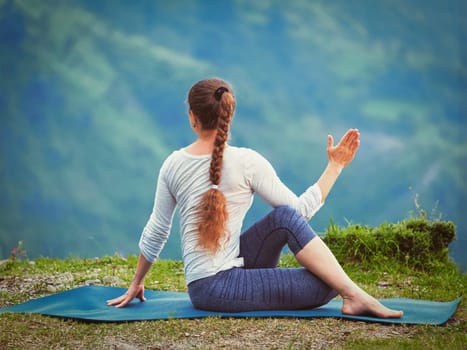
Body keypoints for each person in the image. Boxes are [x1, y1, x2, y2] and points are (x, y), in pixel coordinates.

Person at [107, 78, 403, 318]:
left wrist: (137, 282)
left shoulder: (173, 163)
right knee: (329, 282)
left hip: (207, 282)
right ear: (229, 115)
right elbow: (303, 210)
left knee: (286, 222)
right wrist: (335, 167)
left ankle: (352, 294)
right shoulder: (247, 161)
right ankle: (354, 295)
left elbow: (157, 230)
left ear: (192, 118)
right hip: (217, 289)